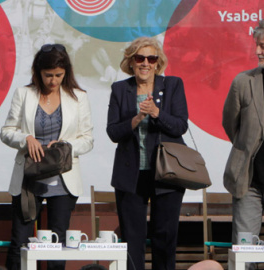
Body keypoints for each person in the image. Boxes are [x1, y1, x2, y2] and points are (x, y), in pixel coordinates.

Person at [0, 43, 93, 270]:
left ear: (66, 73)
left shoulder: (78, 97)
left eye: (58, 75)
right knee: (20, 241)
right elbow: (6, 131)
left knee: (57, 242)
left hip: (63, 180)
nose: (53, 81)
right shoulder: (24, 94)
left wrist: (65, 145)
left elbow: (88, 139)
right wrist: (25, 139)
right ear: (38, 72)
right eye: (48, 75)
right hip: (28, 180)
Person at [106, 36, 188, 270]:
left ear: (157, 62)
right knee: (132, 241)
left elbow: (181, 125)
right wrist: (136, 119)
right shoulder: (120, 89)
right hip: (130, 176)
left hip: (166, 175)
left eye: (151, 58)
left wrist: (156, 113)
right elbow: (112, 132)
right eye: (140, 58)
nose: (145, 63)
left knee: (165, 238)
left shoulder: (172, 85)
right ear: (131, 62)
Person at [222, 19, 264, 270]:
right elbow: (231, 124)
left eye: (263, 46)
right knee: (243, 255)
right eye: (256, 45)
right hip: (247, 184)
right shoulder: (243, 82)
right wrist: (246, 148)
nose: (257, 51)